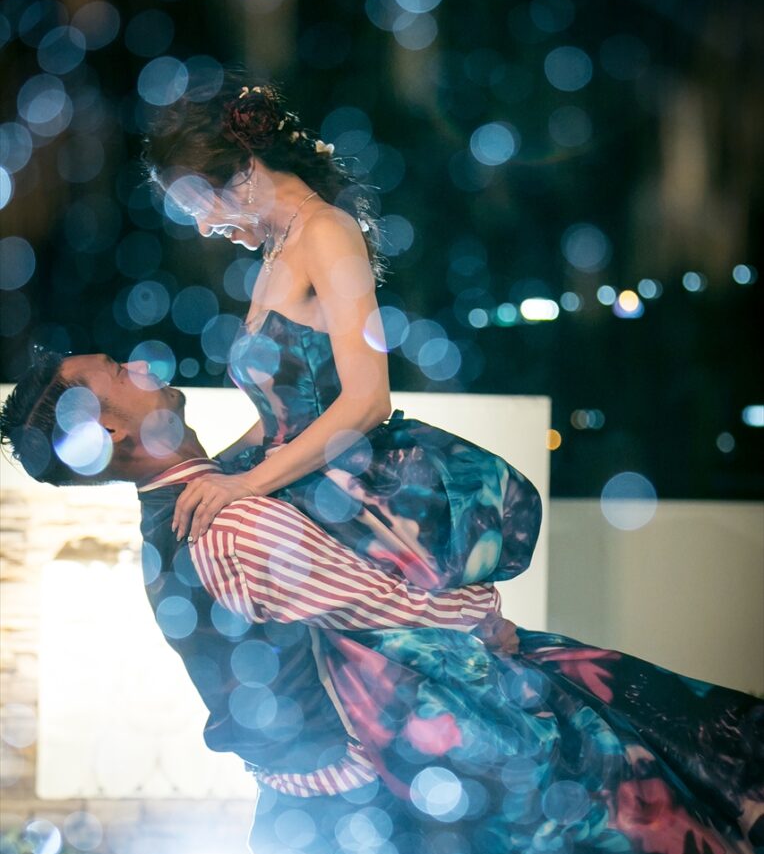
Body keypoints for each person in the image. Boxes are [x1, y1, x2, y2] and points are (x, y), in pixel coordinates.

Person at [1, 350, 762, 854]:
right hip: (363, 824)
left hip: (328, 824)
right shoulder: (227, 524)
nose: (141, 366)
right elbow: (380, 614)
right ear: (109, 428)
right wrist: (480, 620)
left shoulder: (190, 509)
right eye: (117, 372)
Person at [143, 74, 541, 596]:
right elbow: (281, 421)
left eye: (196, 204)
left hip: (348, 495)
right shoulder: (277, 251)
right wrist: (212, 472)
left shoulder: (327, 231)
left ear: (243, 169)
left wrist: (244, 484)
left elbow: (368, 400)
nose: (200, 227)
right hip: (302, 484)